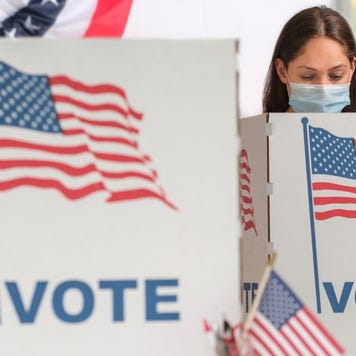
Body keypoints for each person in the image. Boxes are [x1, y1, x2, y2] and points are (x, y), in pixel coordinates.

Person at [263, 5, 356, 113]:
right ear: (282, 71)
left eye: (336, 76)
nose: (323, 89)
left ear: (352, 68)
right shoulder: (256, 129)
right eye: (308, 76)